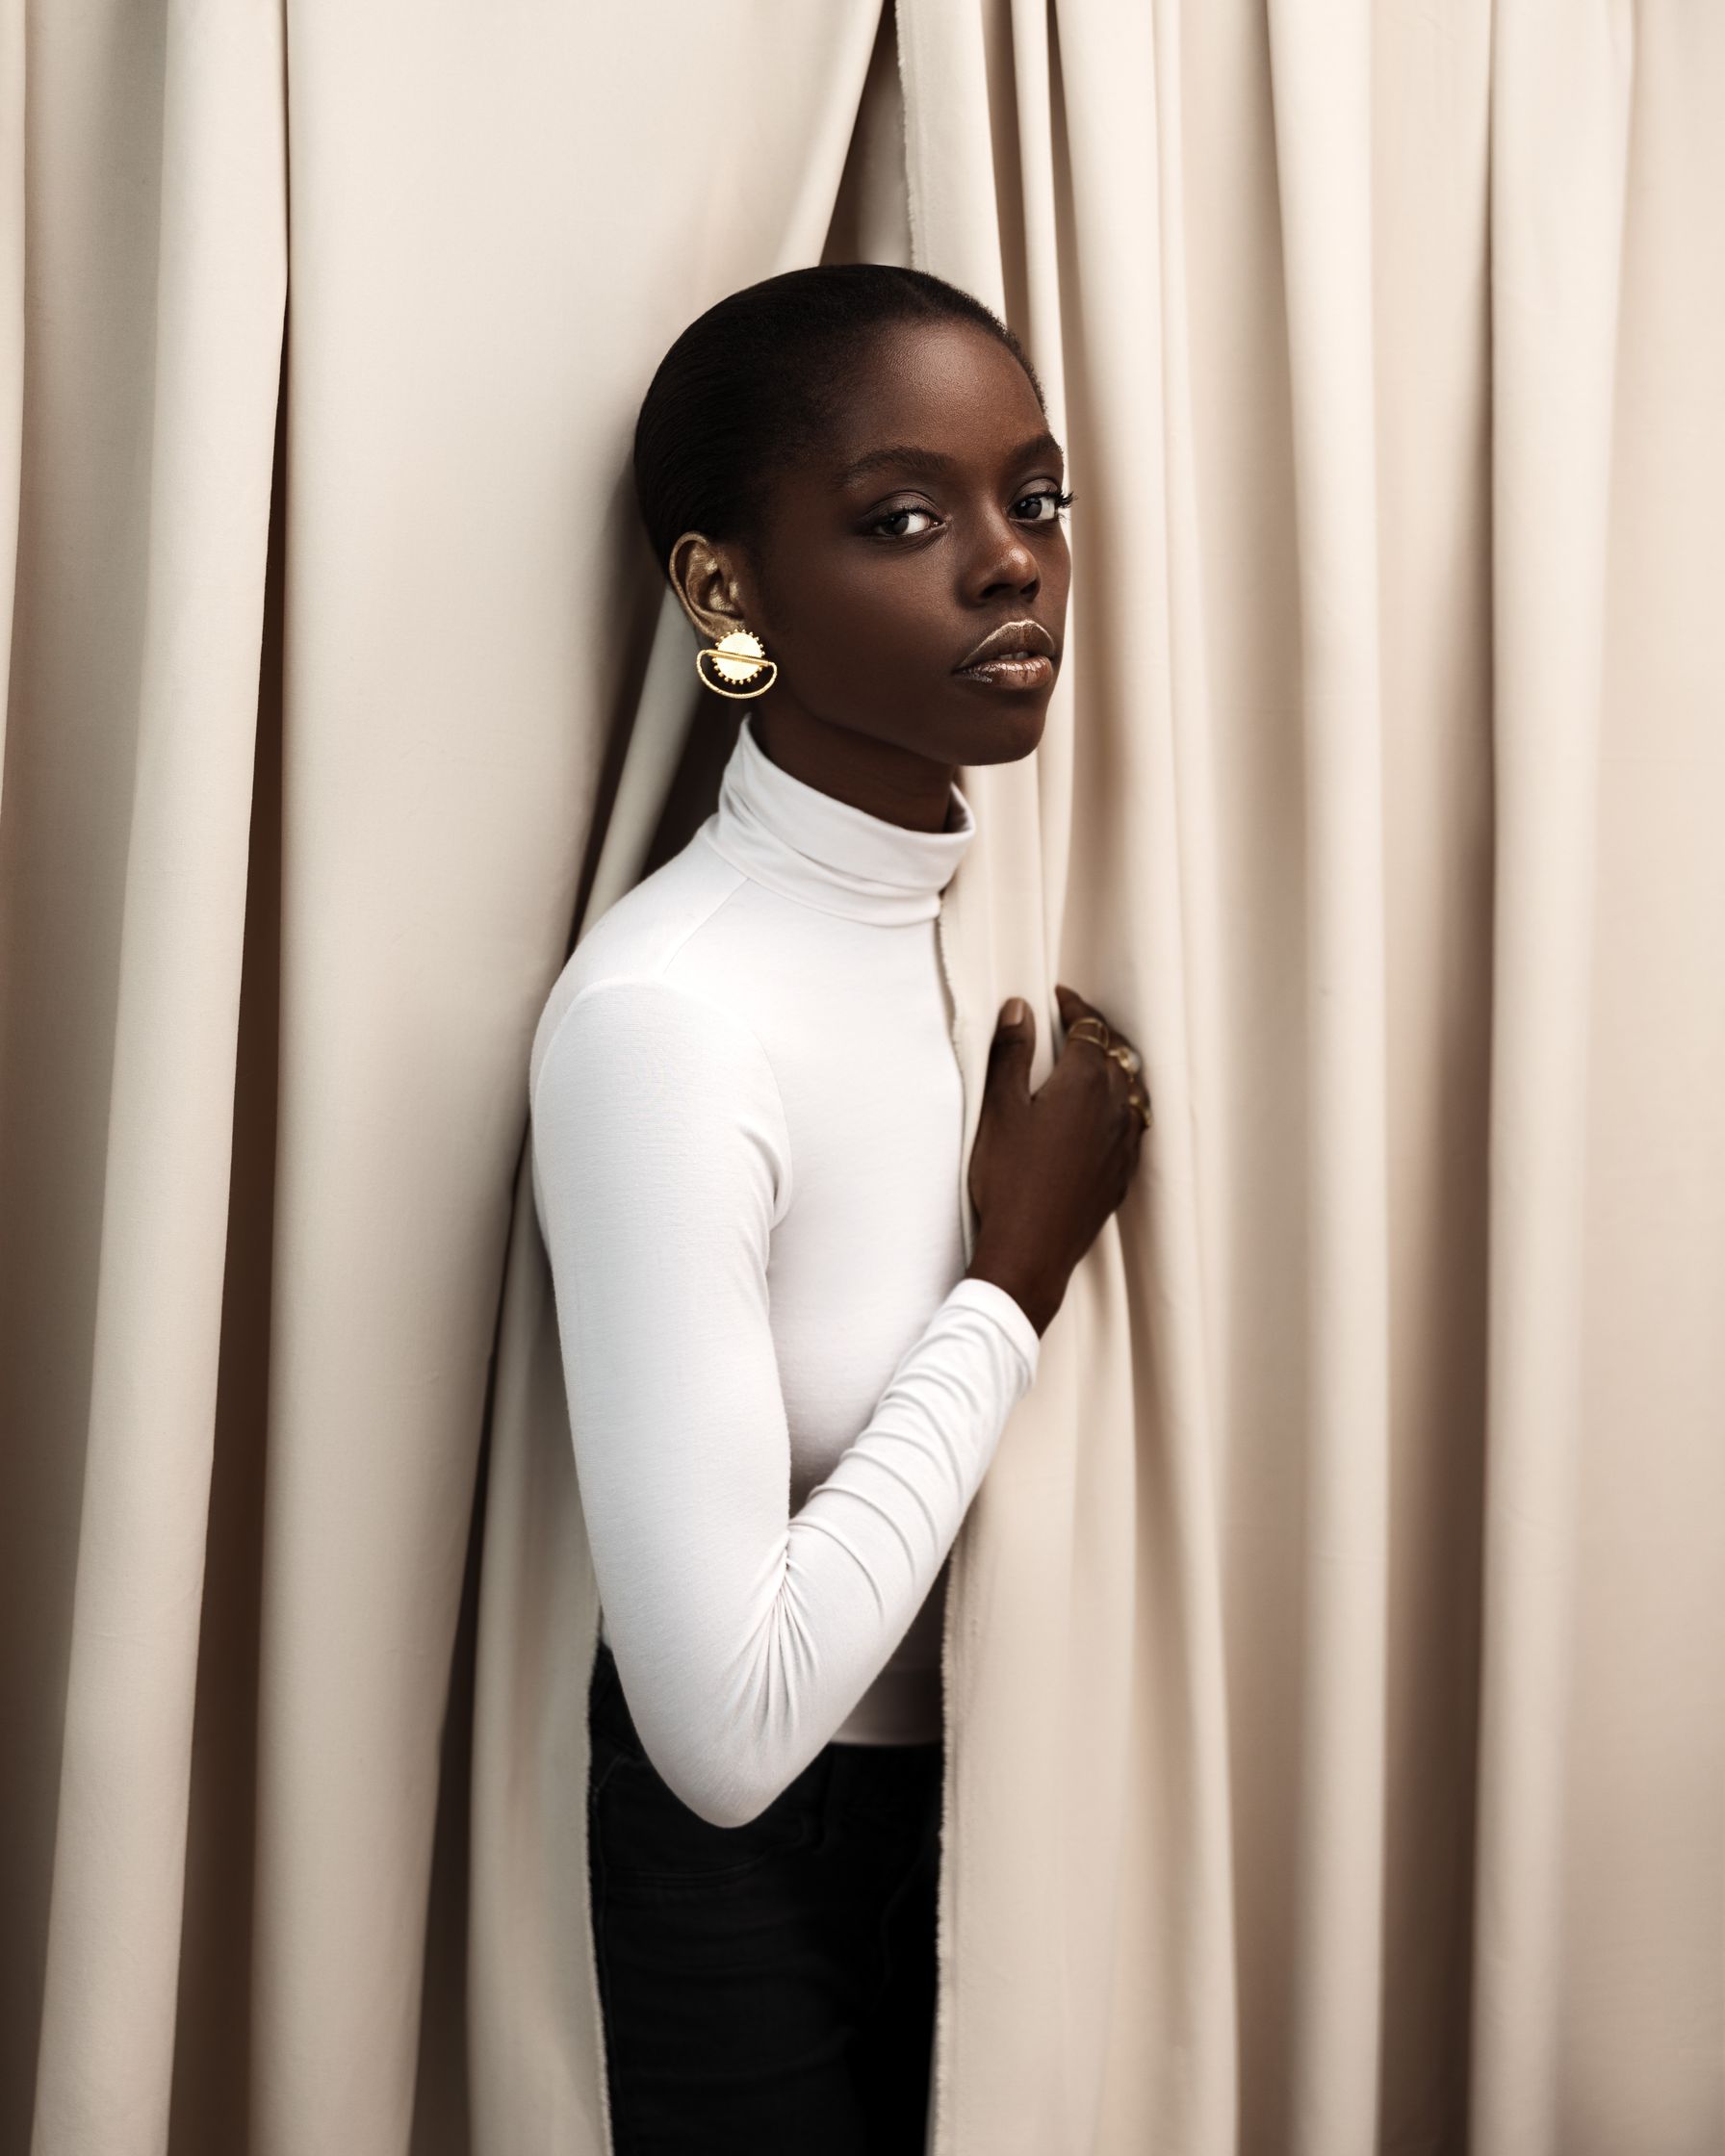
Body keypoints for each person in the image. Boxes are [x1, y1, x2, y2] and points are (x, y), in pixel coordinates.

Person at [527, 262, 1149, 2154]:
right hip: (765, 1897)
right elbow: (721, 1735)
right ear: (723, 590)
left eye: (1030, 498)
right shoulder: (669, 1016)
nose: (1009, 566)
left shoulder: (1004, 923)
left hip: (1032, 1815)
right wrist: (1007, 1289)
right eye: (903, 516)